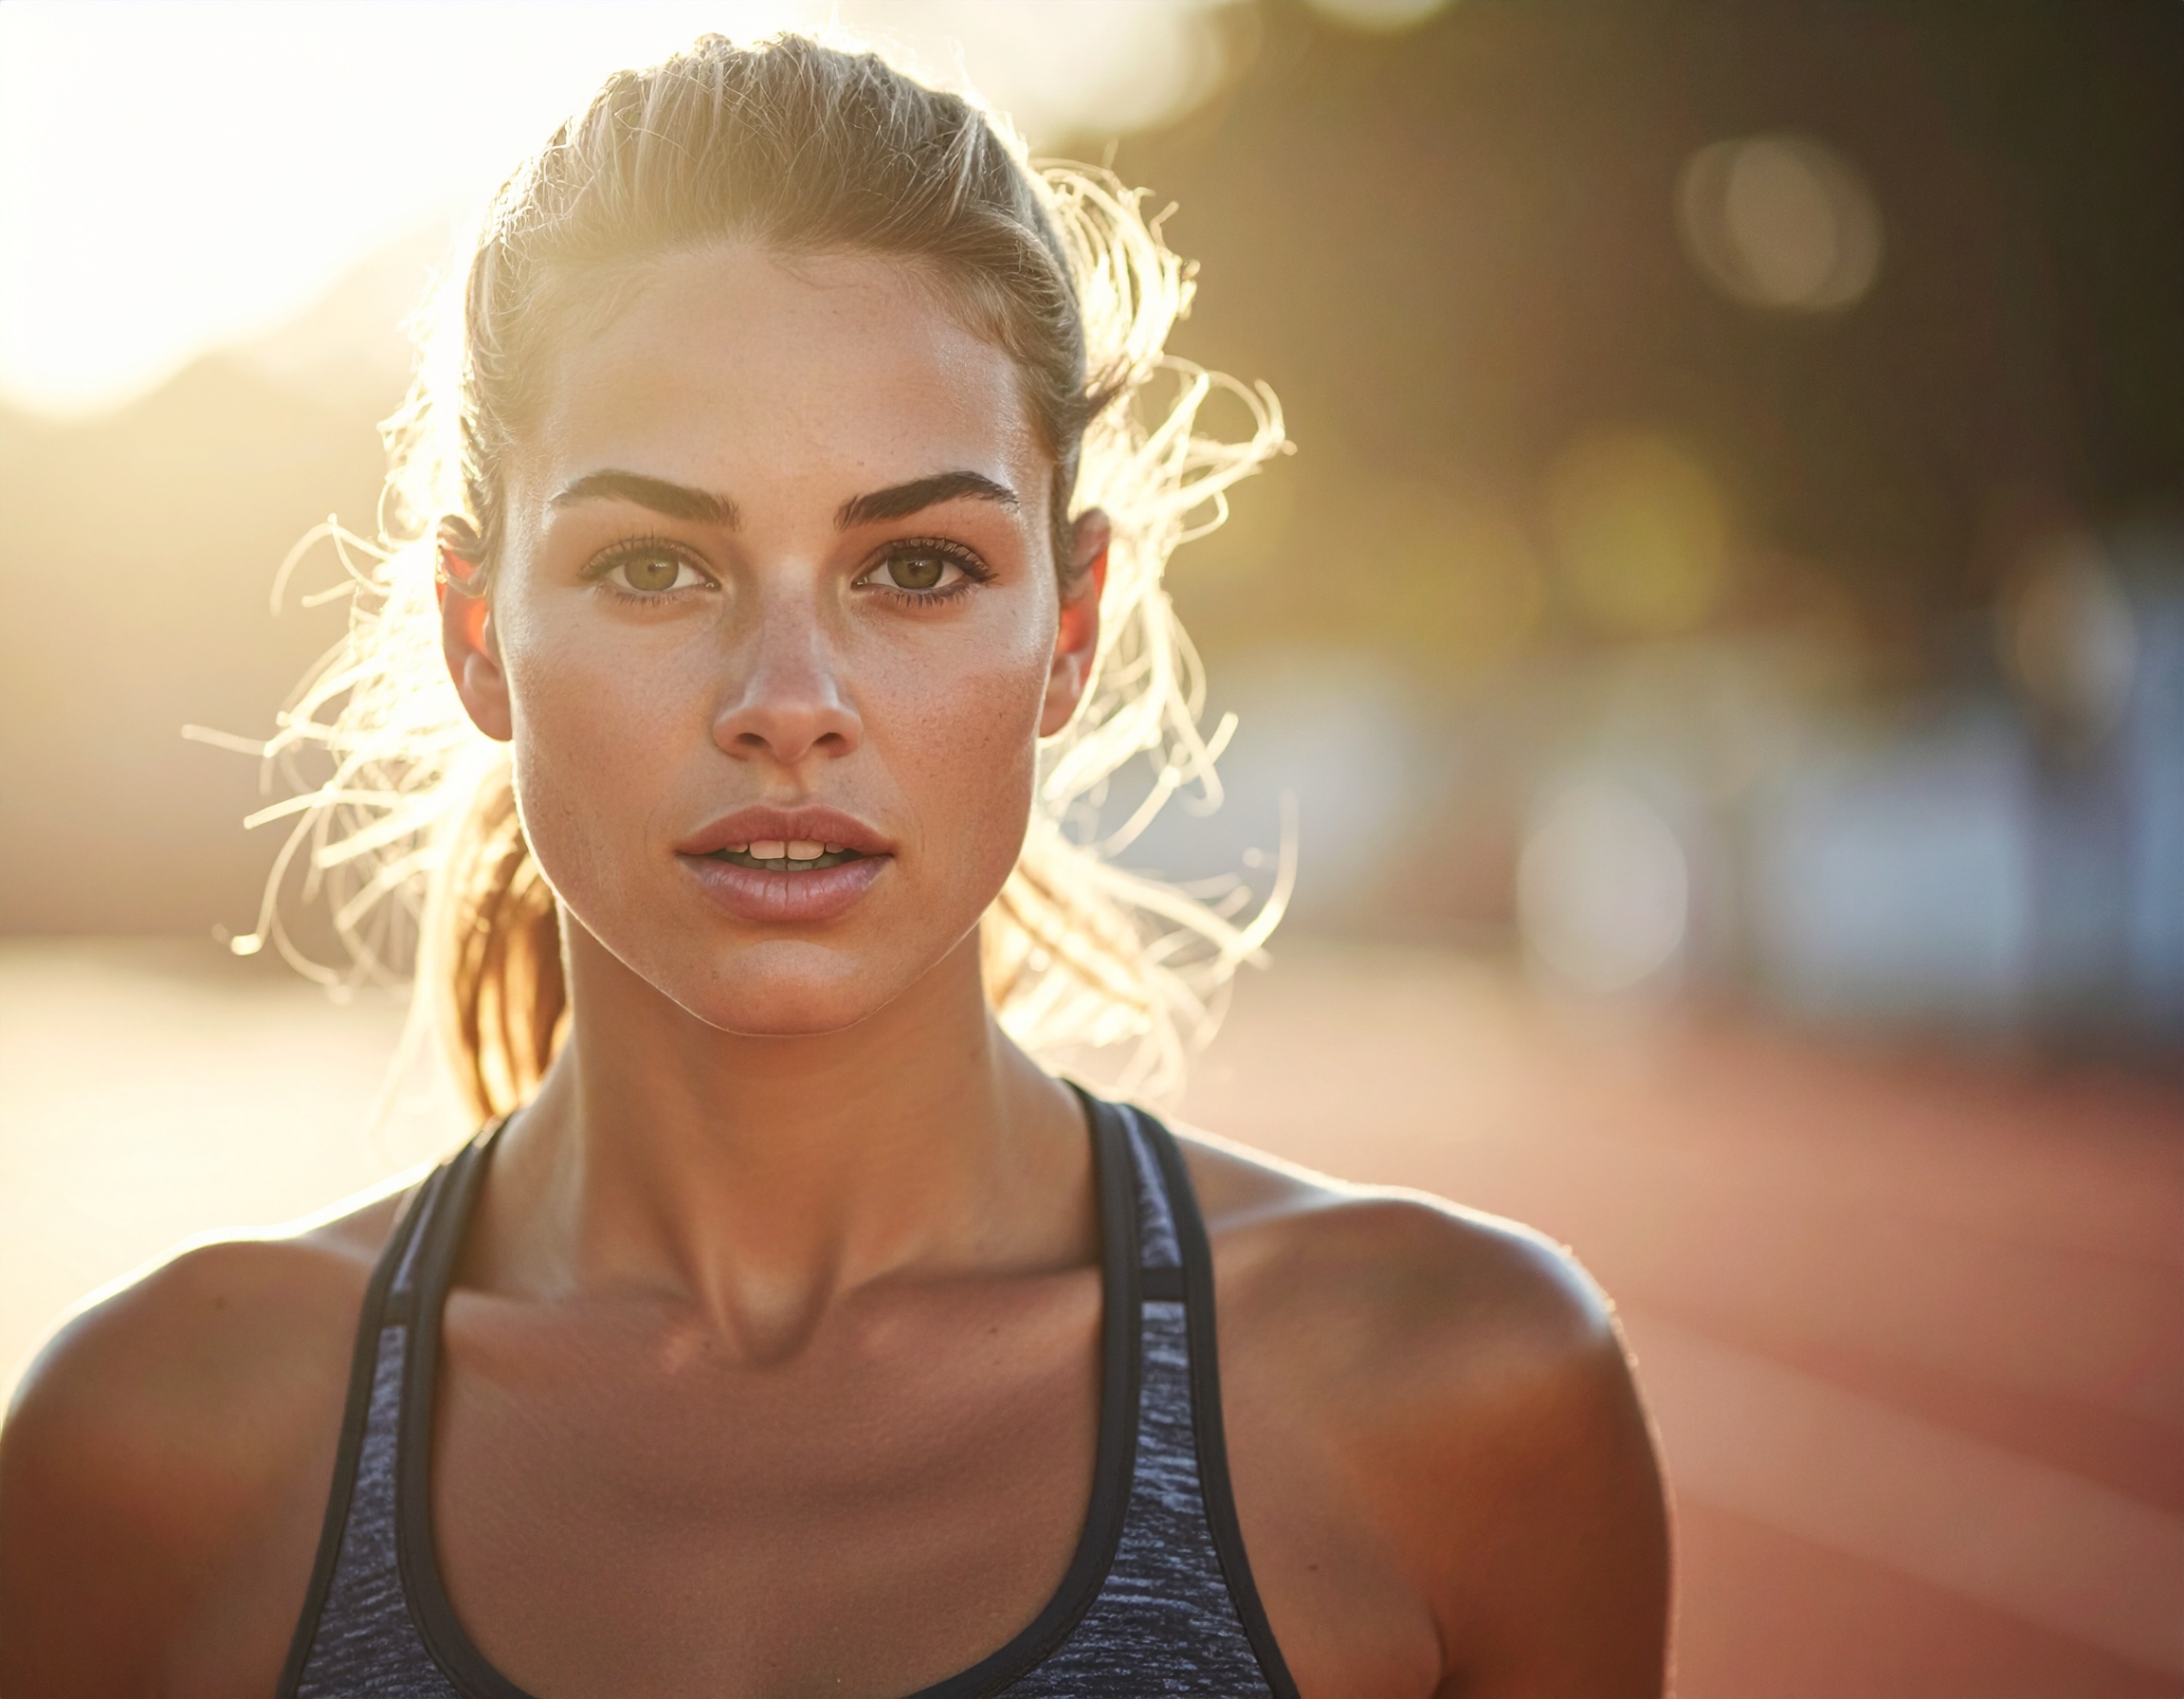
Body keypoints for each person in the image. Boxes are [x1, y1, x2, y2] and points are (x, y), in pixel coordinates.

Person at [0, 33, 1667, 1698]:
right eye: (652, 566)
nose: (787, 702)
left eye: (918, 567)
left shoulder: (1461, 1392)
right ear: (476, 633)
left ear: (1070, 630)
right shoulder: (150, 1453)